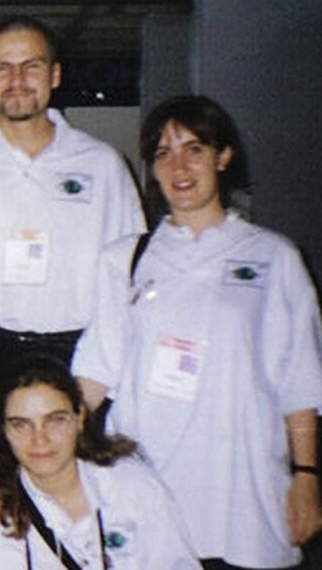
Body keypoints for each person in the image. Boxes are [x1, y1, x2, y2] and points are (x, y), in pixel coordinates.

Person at [72, 95, 322, 569]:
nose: (179, 166)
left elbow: (301, 380)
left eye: (194, 148)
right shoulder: (124, 259)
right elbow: (95, 370)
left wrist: (307, 474)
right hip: (148, 486)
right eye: (163, 152)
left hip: (244, 495)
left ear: (223, 157)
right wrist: (46, 437)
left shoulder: (272, 256)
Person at [0, 16, 144, 465]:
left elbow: (128, 294)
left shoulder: (102, 167)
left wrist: (105, 392)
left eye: (31, 66)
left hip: (75, 363)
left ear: (56, 75)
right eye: (3, 67)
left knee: (72, 509)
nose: (17, 80)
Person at [0, 355, 199, 569]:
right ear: (4, 430)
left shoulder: (132, 488)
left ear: (80, 419)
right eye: (21, 425)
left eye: (56, 420)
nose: (40, 440)